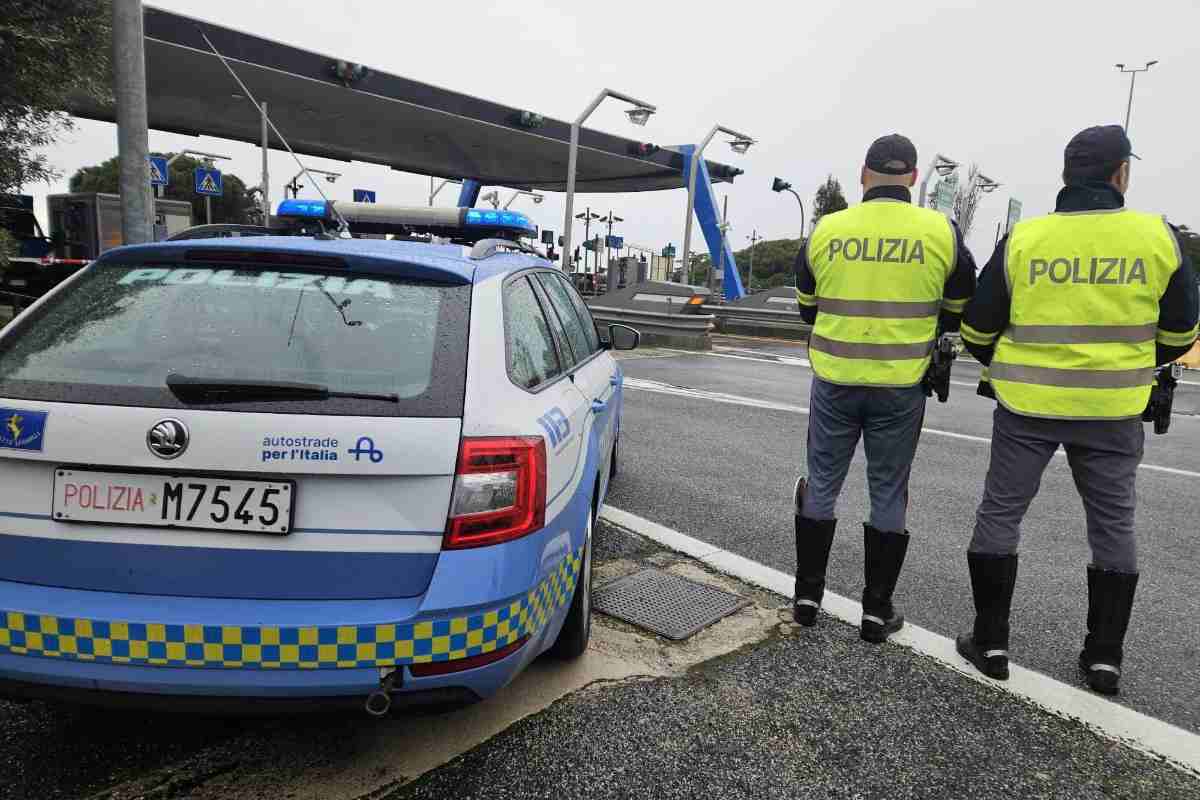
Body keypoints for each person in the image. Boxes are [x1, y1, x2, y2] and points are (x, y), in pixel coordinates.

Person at [956, 125, 1198, 694]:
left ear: (1067, 175)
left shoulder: (1025, 239)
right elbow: (1182, 328)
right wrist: (1131, 362)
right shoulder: (1156, 235)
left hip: (1026, 405)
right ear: (1121, 174)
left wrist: (1014, 361)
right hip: (1114, 407)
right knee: (1113, 524)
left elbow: (976, 327)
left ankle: (990, 641)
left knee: (1001, 514)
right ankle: (1104, 657)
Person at [792, 134, 976, 642]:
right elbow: (960, 306)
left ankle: (807, 599)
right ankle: (876, 613)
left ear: (863, 174)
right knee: (889, 491)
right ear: (914, 177)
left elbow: (807, 304)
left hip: (834, 378)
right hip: (901, 383)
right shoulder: (941, 231)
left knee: (822, 482)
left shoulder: (828, 229)